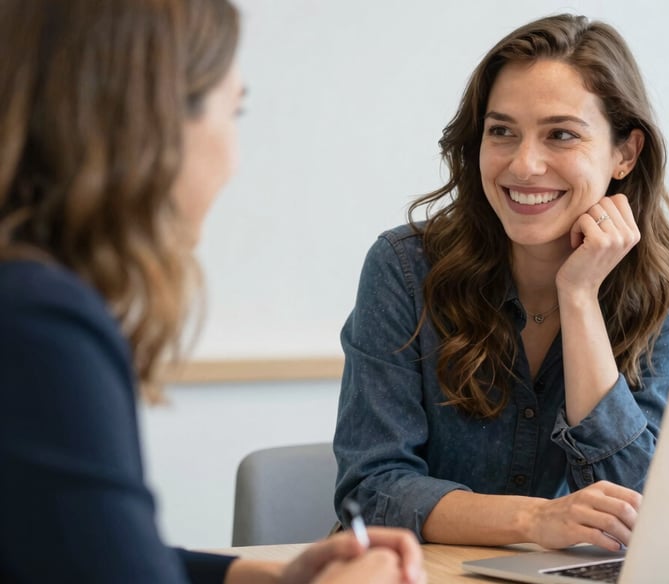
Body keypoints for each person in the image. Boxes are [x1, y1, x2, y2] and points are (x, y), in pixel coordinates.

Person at [0, 1, 425, 583]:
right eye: (235, 112)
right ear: (152, 123)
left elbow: (80, 551)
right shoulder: (39, 323)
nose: (234, 157)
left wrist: (261, 576)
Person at [333, 13, 669, 552]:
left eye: (561, 135)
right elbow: (372, 490)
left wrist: (579, 300)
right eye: (502, 131)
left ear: (625, 153)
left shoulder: (664, 282)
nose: (524, 165)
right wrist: (536, 522)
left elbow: (636, 504)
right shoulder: (403, 268)